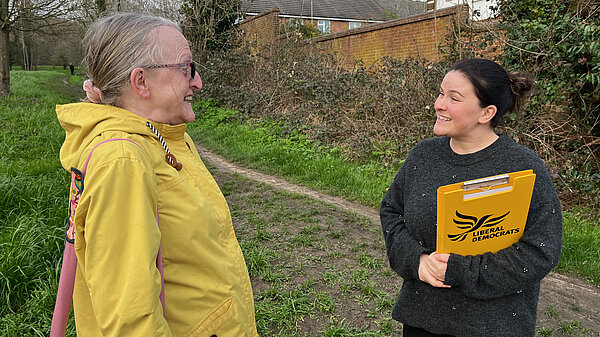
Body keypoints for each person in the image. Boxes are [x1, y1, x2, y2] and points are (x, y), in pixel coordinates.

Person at [56, 12, 257, 336]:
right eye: (185, 68)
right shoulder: (122, 161)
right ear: (141, 82)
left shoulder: (166, 138)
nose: (197, 81)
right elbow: (131, 324)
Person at [380, 58, 562, 337]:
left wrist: (460, 270)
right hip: (422, 320)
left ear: (486, 113)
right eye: (441, 93)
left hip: (493, 326)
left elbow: (540, 251)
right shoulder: (423, 156)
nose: (438, 104)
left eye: (453, 98)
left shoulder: (524, 168)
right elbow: (392, 211)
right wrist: (416, 260)